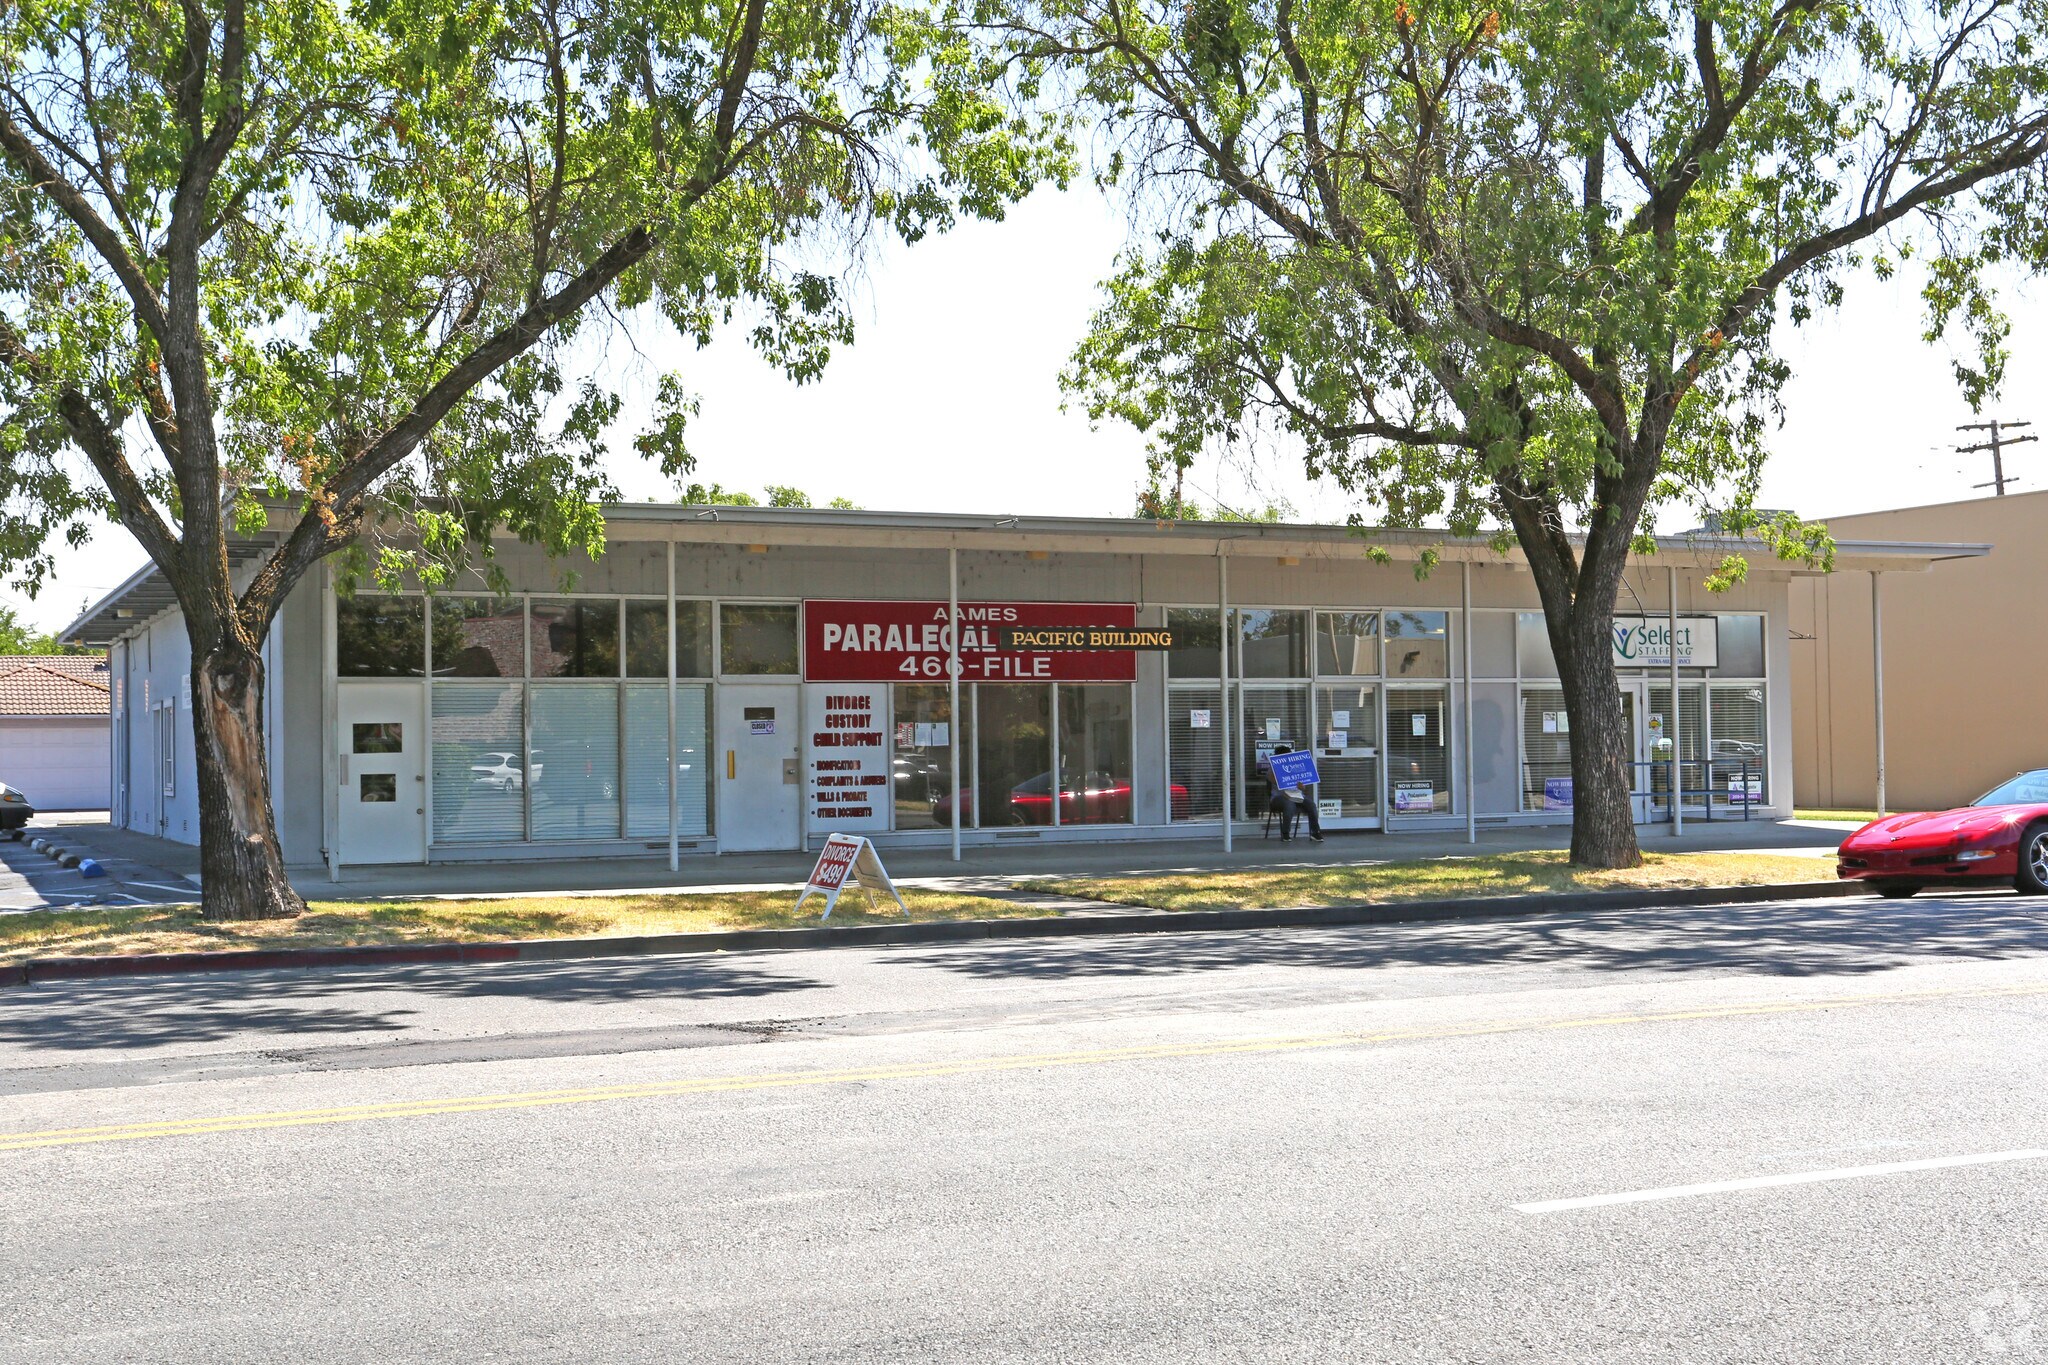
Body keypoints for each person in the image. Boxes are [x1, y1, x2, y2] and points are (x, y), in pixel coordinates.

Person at [1269, 744, 1323, 842]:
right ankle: (1285, 833)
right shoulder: (1272, 769)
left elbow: (1303, 787)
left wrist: (1301, 787)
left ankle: (1315, 832)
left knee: (1311, 805)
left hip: (1297, 795)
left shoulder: (1296, 767)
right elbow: (1271, 779)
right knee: (1289, 804)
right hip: (1279, 797)